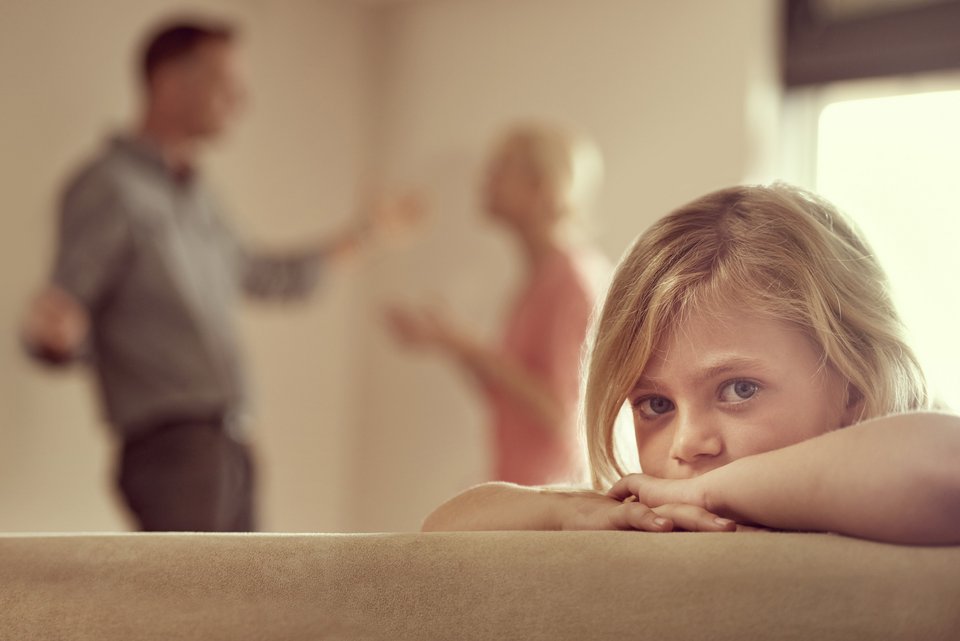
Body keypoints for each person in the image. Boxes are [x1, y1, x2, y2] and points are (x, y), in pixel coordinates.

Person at [20, 19, 419, 532]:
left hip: (230, 442)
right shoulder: (107, 187)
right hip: (171, 448)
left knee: (246, 609)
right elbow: (63, 314)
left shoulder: (201, 198)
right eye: (225, 84)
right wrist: (54, 340)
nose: (241, 100)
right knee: (189, 610)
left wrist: (365, 236)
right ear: (168, 82)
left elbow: (262, 275)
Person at [422, 183, 960, 546]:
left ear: (854, 392)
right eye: (655, 404)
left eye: (739, 390)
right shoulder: (655, 517)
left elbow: (944, 464)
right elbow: (443, 531)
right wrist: (572, 510)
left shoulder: (888, 496)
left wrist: (702, 491)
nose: (687, 444)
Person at [386, 122, 607, 486]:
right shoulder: (539, 278)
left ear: (542, 186)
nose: (485, 179)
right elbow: (510, 394)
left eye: (502, 167)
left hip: (553, 496)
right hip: (525, 486)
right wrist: (452, 344)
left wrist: (466, 346)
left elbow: (562, 412)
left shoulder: (572, 280)